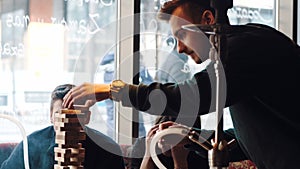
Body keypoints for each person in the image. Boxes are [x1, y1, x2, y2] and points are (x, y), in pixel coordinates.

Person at [62, 0, 300, 168]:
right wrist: (192, 137)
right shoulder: (244, 52)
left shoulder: (247, 50)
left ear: (208, 19)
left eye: (181, 35)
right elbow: (244, 139)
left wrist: (112, 90)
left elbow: (185, 98)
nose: (179, 48)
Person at [0, 84, 125, 169]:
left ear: (87, 117)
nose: (67, 122)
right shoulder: (30, 145)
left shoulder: (108, 149)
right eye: (60, 114)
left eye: (74, 115)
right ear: (51, 116)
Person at [100, 52, 153, 137]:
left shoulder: (108, 72)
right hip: (134, 125)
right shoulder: (133, 69)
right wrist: (142, 69)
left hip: (112, 126)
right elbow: (149, 88)